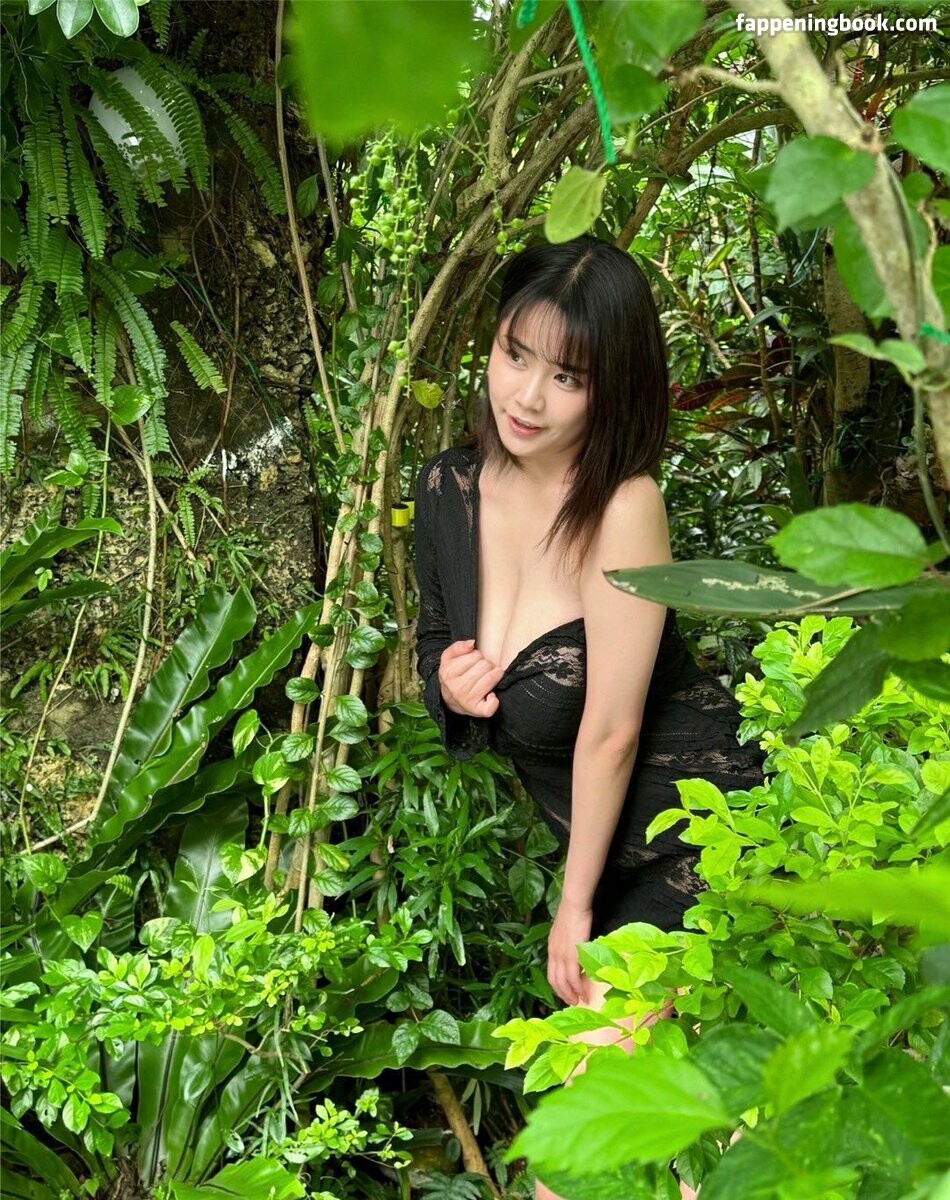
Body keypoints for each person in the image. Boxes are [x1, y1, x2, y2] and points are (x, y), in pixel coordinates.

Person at [412, 235, 765, 1200]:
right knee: (682, 1161)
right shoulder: (446, 489)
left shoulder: (623, 507)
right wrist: (450, 683)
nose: (527, 396)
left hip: (700, 838)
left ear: (613, 389)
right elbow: (436, 639)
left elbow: (610, 731)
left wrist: (572, 912)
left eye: (566, 376)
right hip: (604, 863)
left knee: (580, 1167)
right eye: (514, 355)